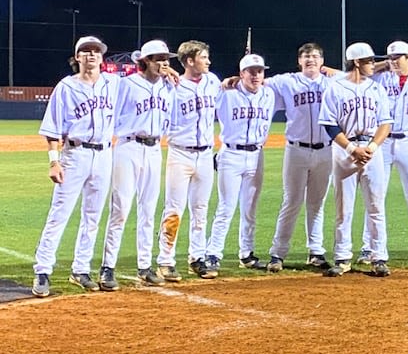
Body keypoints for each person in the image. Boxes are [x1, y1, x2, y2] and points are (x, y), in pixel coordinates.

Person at [31, 36, 120, 297]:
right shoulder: (66, 87)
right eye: (86, 51)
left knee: (92, 216)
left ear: (102, 58)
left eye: (96, 51)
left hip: (104, 155)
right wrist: (54, 161)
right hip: (75, 154)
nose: (91, 55)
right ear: (77, 57)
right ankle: (43, 270)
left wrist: (169, 70)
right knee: (59, 214)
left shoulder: (113, 84)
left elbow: (145, 70)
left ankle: (81, 269)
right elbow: (52, 129)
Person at [99, 39, 176, 290]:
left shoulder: (168, 88)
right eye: (158, 59)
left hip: (154, 149)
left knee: (149, 210)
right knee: (120, 209)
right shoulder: (126, 84)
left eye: (166, 59)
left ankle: (145, 266)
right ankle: (107, 267)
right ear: (144, 61)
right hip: (128, 147)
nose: (163, 63)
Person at [358, 40, 408, 265]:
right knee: (375, 196)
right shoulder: (380, 78)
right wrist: (383, 64)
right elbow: (353, 73)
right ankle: (368, 248)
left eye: (398, 57)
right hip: (381, 142)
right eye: (391, 57)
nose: (394, 60)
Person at [318, 42, 394, 277]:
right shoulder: (335, 88)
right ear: (357, 62)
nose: (374, 64)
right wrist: (352, 148)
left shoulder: (376, 89)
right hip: (344, 150)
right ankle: (342, 258)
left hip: (372, 149)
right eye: (370, 60)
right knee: (343, 208)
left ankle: (378, 257)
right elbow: (329, 124)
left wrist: (371, 147)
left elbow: (385, 123)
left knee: (376, 206)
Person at [264, 42, 334, 272]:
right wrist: (234, 80)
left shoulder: (333, 82)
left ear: (322, 61)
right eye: (305, 56)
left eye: (315, 56)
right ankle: (278, 253)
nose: (310, 59)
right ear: (299, 61)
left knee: (317, 203)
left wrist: (336, 72)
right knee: (291, 202)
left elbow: (359, 78)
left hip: (326, 149)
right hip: (296, 149)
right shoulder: (287, 81)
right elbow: (257, 81)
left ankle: (316, 251)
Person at [204, 54, 276, 272]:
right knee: (226, 207)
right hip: (232, 155)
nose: (256, 75)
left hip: (256, 155)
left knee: (250, 208)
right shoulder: (227, 93)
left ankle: (247, 253)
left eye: (259, 71)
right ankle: (213, 253)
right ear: (241, 73)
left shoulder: (269, 94)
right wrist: (225, 82)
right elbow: (206, 93)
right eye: (251, 71)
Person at [157, 40, 221, 282]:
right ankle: (165, 260)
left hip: (205, 153)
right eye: (203, 57)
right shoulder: (172, 85)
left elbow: (223, 90)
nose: (208, 61)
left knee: (200, 210)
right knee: (174, 209)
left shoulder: (212, 81)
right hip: (180, 153)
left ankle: (198, 257)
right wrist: (165, 70)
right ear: (189, 61)